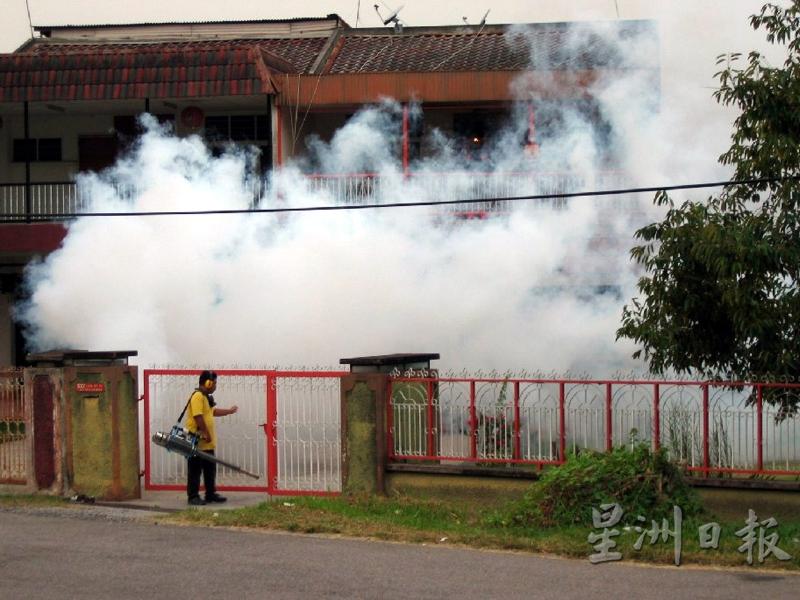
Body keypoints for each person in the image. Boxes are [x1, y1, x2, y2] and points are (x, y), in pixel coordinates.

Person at [184, 370, 238, 506]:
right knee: (195, 470)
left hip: (206, 443)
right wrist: (205, 433)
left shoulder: (206, 397)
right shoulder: (197, 396)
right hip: (196, 442)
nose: (215, 386)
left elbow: (212, 412)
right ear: (207, 383)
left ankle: (210, 493)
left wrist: (229, 411)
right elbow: (198, 416)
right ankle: (193, 496)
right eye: (214, 383)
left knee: (209, 469)